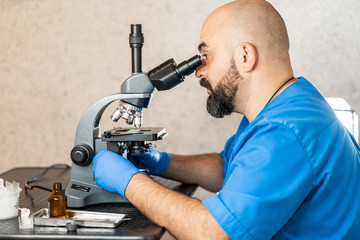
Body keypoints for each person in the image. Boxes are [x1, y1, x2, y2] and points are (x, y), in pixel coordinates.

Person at [92, 0, 360, 239]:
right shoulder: (291, 105)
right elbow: (227, 167)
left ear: (245, 56)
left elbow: (215, 233)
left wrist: (129, 181)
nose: (199, 72)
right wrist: (163, 163)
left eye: (205, 56)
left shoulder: (284, 133)